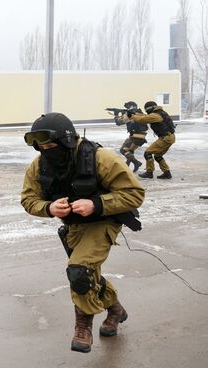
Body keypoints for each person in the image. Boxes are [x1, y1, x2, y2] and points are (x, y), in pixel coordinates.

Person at [21, 113, 145, 353]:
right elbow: (28, 199)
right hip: (73, 227)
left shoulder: (100, 158)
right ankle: (116, 310)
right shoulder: (39, 164)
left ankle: (83, 328)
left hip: (103, 222)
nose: (46, 151)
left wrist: (96, 204)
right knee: (88, 276)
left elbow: (134, 193)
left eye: (50, 145)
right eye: (41, 147)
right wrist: (48, 207)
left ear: (66, 140)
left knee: (79, 271)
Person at [131, 101, 176, 179]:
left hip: (165, 138)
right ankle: (167, 173)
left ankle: (149, 172)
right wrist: (136, 114)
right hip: (169, 137)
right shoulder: (160, 113)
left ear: (149, 108)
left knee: (147, 153)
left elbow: (142, 119)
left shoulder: (155, 115)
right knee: (158, 156)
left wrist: (132, 116)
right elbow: (145, 116)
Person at [114, 101, 148, 172]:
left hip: (136, 136)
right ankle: (127, 165)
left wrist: (116, 114)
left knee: (123, 150)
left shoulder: (129, 113)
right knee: (130, 151)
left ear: (131, 106)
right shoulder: (141, 113)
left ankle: (136, 163)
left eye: (127, 107)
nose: (126, 108)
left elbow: (119, 122)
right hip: (141, 136)